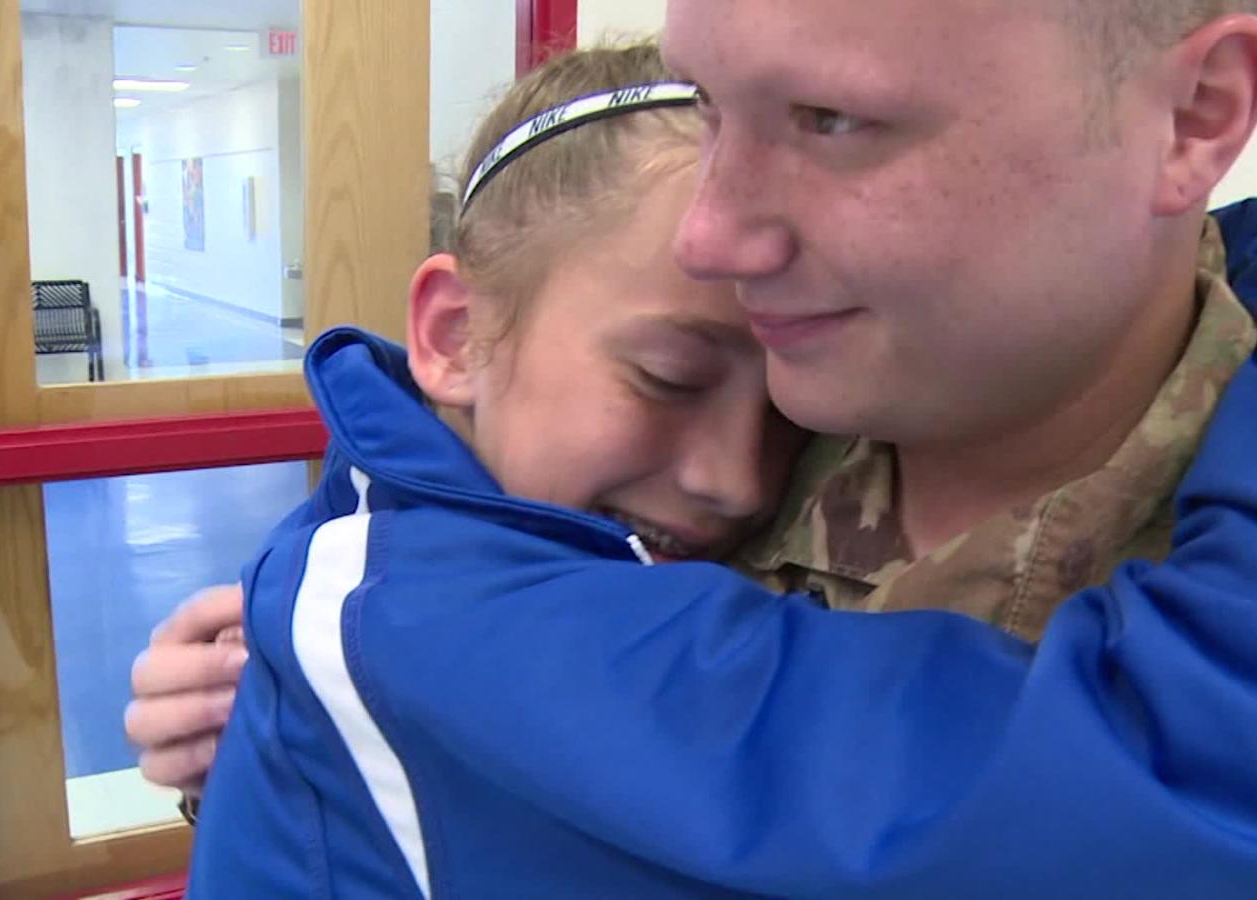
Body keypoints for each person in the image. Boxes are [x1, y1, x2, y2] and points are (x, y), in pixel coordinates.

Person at [134, 2, 1257, 895]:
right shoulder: (726, 426)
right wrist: (295, 736)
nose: (711, 234)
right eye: (709, 104)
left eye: (831, 119)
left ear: (1195, 112)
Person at [185, 44, 811, 897]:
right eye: (669, 378)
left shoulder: (360, 549)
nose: (740, 481)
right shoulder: (407, 615)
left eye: (799, 416)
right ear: (455, 336)